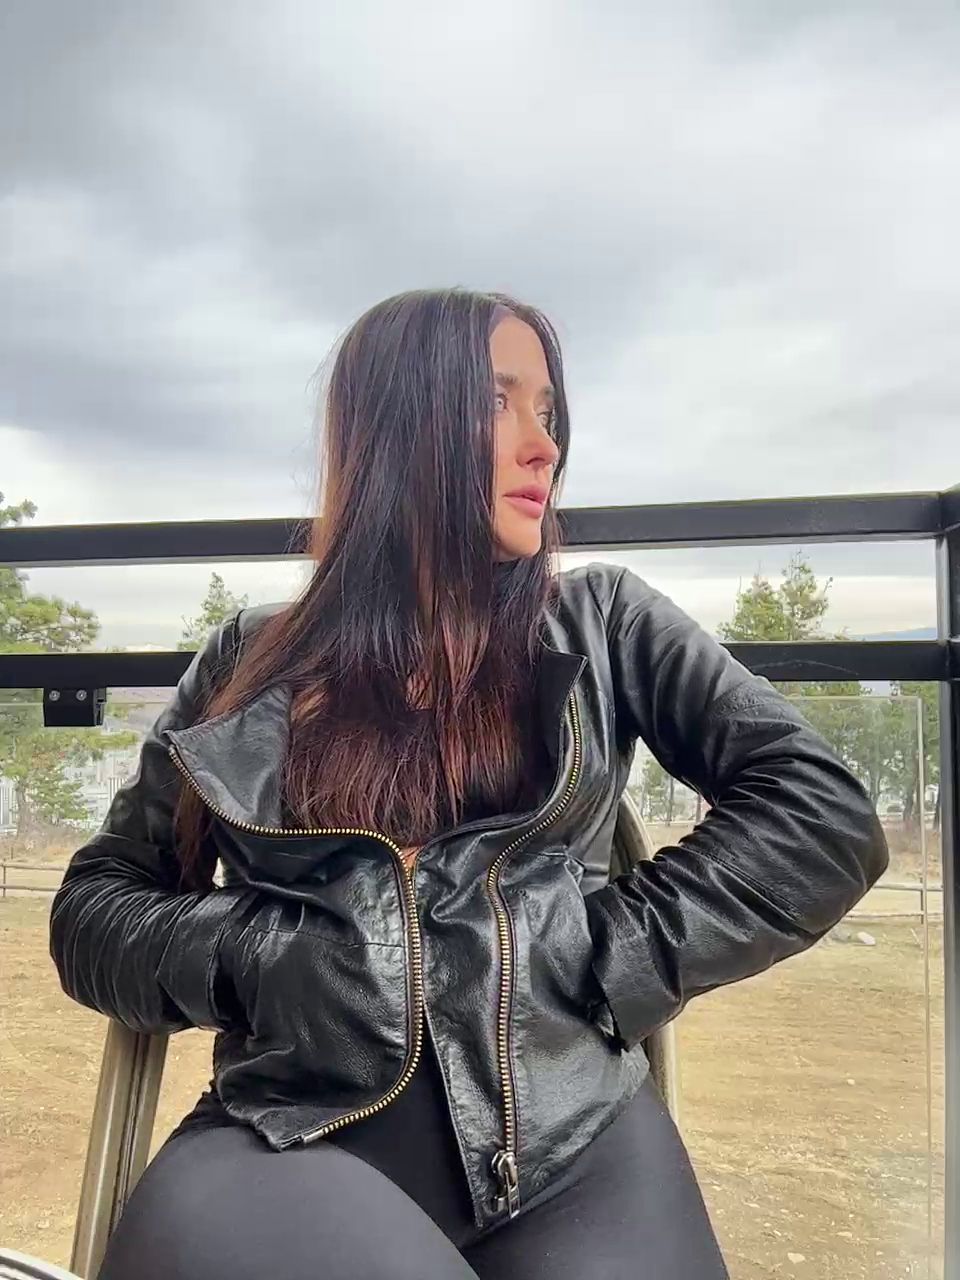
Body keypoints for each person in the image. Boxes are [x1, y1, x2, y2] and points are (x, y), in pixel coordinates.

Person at [49, 288, 889, 1280]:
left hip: (571, 1141)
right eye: (500, 402)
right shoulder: (249, 660)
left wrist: (602, 952)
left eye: (549, 411)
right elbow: (96, 908)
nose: (545, 446)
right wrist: (258, 954)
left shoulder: (605, 623)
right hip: (289, 1134)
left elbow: (822, 811)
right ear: (400, 424)